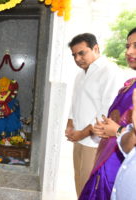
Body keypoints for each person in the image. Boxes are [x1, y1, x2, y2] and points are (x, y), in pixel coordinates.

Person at [80, 27, 136, 200]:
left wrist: (117, 131)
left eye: (135, 46)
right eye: (128, 46)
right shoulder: (130, 84)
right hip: (108, 159)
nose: (129, 51)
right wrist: (103, 129)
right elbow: (117, 119)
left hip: (121, 164)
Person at [65, 33, 124, 196]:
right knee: (79, 181)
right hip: (78, 138)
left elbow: (107, 110)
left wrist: (83, 133)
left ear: (96, 48)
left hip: (95, 141)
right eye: (74, 55)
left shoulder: (109, 71)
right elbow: (75, 102)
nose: (77, 58)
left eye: (81, 53)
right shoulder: (80, 74)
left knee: (90, 187)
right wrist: (70, 124)